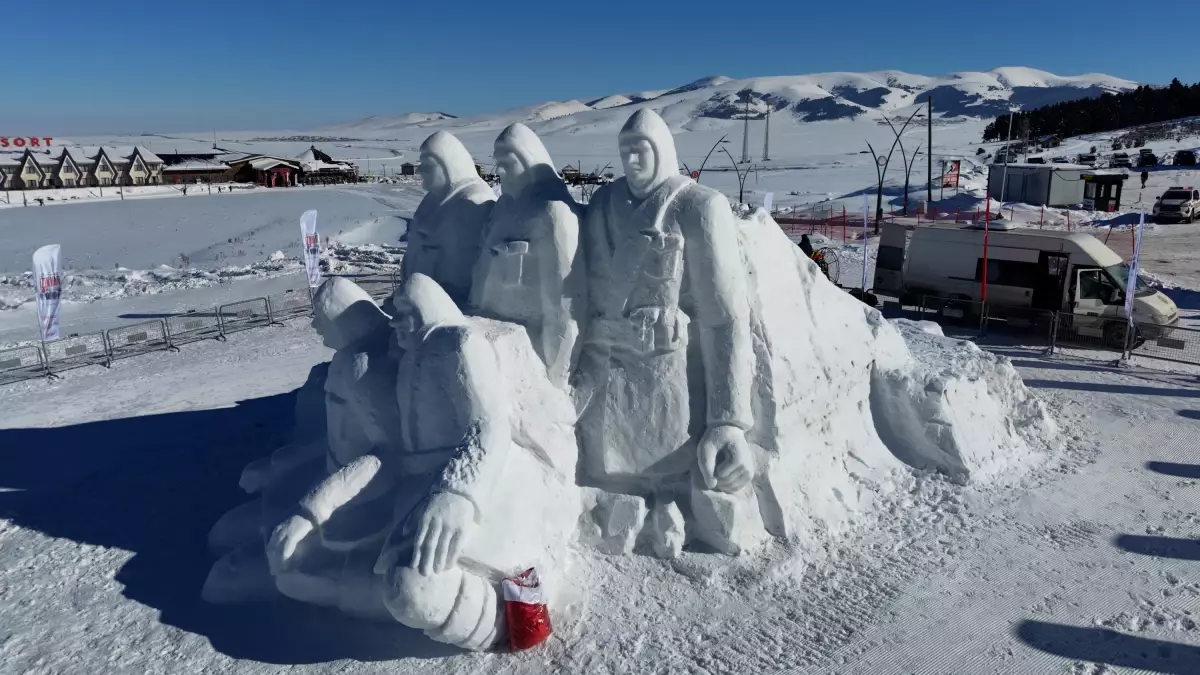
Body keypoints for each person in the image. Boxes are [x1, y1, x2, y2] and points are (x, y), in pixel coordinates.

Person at [577, 109, 758, 556]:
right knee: (609, 464)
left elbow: (725, 316)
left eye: (641, 150)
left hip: (666, 375)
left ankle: (669, 510)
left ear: (664, 150)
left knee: (667, 460)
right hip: (608, 368)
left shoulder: (698, 206)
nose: (632, 160)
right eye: (624, 152)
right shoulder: (602, 206)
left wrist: (728, 421)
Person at [469, 123, 585, 389]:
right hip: (490, 328)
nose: (498, 172)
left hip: (530, 345)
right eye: (497, 163)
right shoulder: (503, 208)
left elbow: (564, 300)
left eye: (506, 163)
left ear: (527, 160)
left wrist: (558, 370)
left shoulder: (552, 212)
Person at [402, 132, 496, 306]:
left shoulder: (473, 200)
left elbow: (466, 265)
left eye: (427, 164)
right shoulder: (433, 197)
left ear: (447, 165)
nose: (419, 170)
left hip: (450, 303)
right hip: (417, 298)